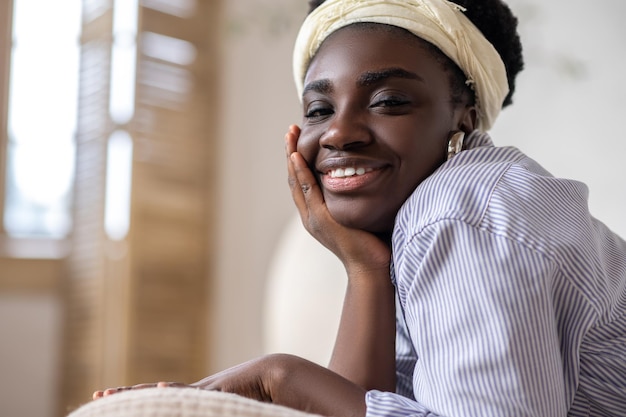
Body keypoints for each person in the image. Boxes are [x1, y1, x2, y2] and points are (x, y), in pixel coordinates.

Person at [93, 0, 626, 416]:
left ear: (464, 117)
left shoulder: (457, 214)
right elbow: (359, 401)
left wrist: (281, 377)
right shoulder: (433, 213)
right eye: (319, 109)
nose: (340, 132)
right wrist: (364, 268)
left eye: (389, 101)